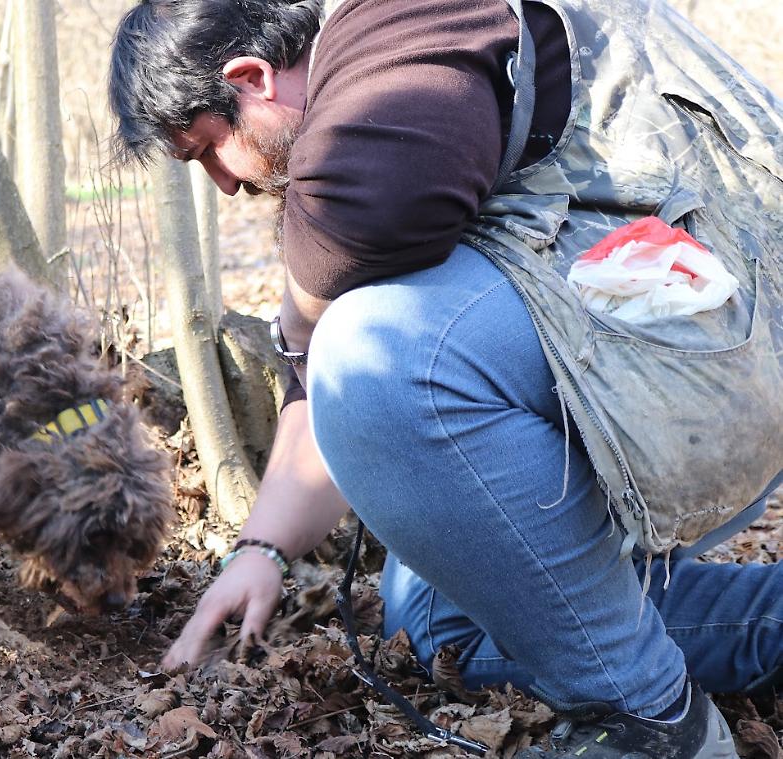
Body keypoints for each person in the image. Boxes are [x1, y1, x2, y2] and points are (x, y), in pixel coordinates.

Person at [108, 0, 783, 756]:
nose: (223, 186)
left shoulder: (396, 22)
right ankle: (769, 628)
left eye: (206, 149)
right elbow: (327, 392)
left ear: (252, 79)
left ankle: (650, 717)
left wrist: (301, 322)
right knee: (437, 620)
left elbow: (361, 266)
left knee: (378, 349)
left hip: (727, 342)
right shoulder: (374, 101)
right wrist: (260, 551)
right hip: (673, 345)